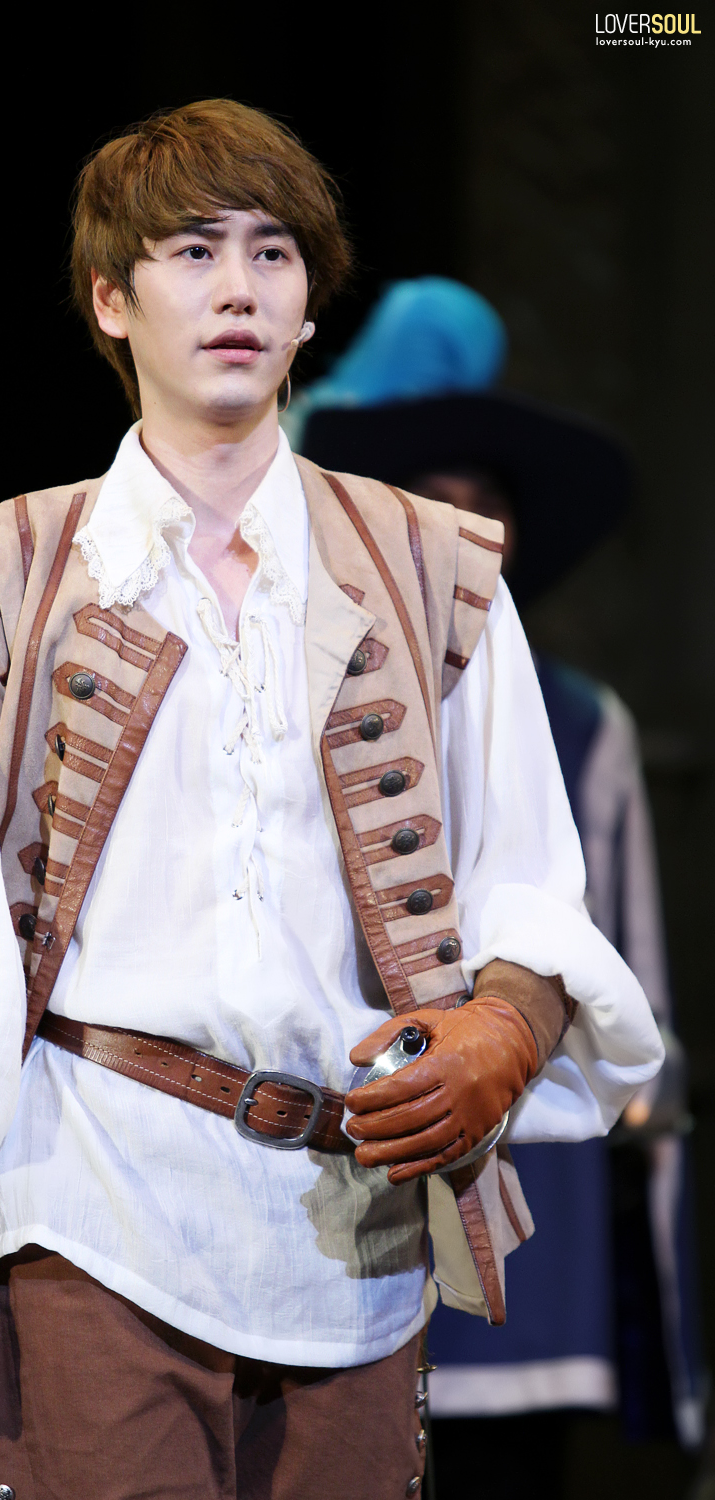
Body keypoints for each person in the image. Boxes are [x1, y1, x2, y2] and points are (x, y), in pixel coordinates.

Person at [0, 102, 663, 1500]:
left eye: (273, 253)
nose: (239, 288)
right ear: (111, 298)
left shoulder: (435, 569)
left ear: (311, 305)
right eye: (193, 251)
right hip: (96, 1194)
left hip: (352, 1221)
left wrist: (510, 1020)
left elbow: (526, 878)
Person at [301, 278, 704, 1495]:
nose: (458, 527)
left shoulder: (580, 720)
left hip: (522, 1150)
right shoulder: (297, 688)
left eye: (484, 505)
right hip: (338, 1139)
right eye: (432, 499)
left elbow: (621, 952)